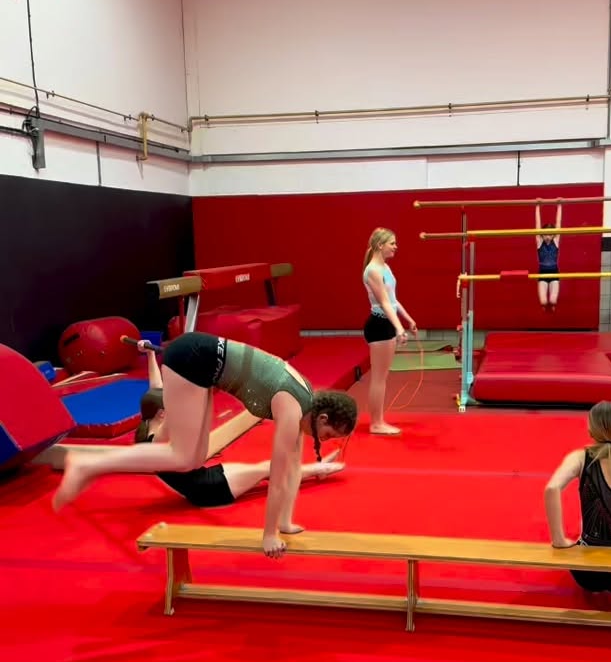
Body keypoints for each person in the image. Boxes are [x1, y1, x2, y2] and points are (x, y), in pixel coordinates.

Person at [53, 332, 358, 558]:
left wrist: (285, 523)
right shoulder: (292, 408)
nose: (323, 441)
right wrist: (268, 535)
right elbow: (278, 477)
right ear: (323, 418)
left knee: (190, 459)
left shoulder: (305, 400)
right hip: (194, 359)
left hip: (205, 363)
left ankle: (92, 465)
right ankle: (89, 464)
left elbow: (291, 466)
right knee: (182, 455)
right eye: (328, 435)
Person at [41, 342, 345, 507]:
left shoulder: (149, 433)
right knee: (269, 469)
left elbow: (157, 387)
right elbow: (168, 401)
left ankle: (318, 471)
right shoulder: (159, 439)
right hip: (208, 489)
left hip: (204, 473)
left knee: (266, 469)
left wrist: (150, 353)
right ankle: (319, 471)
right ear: (162, 415)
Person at [544, 400, 611, 594]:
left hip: (586, 572)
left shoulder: (581, 457)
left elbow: (552, 488)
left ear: (590, 431)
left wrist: (559, 540)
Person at [362, 227, 417, 435]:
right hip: (379, 325)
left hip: (387, 323)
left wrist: (408, 319)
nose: (396, 247)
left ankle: (378, 420)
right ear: (380, 245)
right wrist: (399, 327)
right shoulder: (372, 271)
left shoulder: (385, 267)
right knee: (378, 377)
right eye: (392, 243)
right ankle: (376, 423)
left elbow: (393, 300)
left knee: (382, 377)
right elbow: (384, 303)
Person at [535, 202, 562, 311]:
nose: (547, 236)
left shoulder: (555, 241)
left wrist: (560, 205)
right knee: (543, 302)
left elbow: (558, 224)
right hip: (542, 273)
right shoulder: (539, 242)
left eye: (550, 234)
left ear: (553, 235)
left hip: (554, 272)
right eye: (545, 234)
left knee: (553, 301)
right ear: (542, 234)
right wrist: (537, 206)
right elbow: (537, 225)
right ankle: (545, 305)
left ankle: (552, 304)